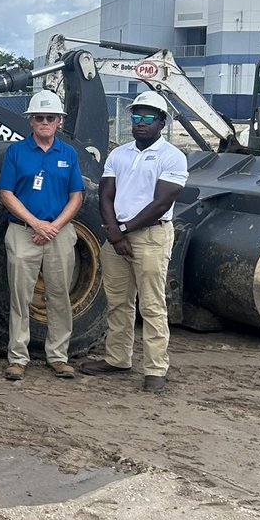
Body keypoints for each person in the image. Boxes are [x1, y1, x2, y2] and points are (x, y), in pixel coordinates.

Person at [81, 90, 188, 394]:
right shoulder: (119, 154)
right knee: (118, 303)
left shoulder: (172, 157)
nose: (140, 122)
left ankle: (155, 369)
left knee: (152, 306)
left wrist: (121, 230)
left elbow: (160, 202)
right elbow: (105, 194)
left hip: (151, 237)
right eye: (136, 117)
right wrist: (114, 232)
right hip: (116, 237)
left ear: (162, 122)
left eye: (148, 117)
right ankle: (118, 359)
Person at [0, 90, 85, 382]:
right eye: (39, 118)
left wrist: (54, 227)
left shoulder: (68, 154)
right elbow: (5, 193)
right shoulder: (16, 152)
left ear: (59, 121)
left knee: (59, 294)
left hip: (58, 233)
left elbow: (77, 196)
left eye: (50, 117)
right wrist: (36, 224)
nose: (45, 122)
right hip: (24, 232)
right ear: (31, 121)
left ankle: (58, 356)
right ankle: (18, 358)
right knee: (21, 297)